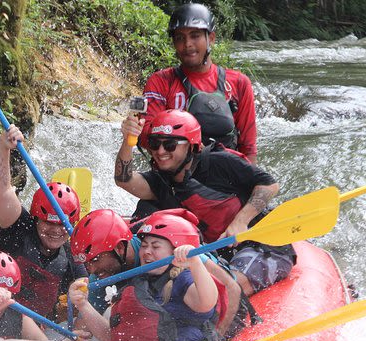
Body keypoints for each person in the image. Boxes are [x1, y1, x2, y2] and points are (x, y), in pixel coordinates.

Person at [115, 108, 296, 298]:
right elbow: (124, 179)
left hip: (260, 244)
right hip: (216, 254)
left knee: (222, 291)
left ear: (191, 146)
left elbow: (269, 185)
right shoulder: (160, 180)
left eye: (169, 145)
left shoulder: (220, 162)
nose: (160, 151)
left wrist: (240, 221)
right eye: (154, 144)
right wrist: (129, 140)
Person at [68, 211, 220, 341]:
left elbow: (207, 301)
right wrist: (83, 305)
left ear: (175, 252)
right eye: (145, 246)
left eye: (155, 247)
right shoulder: (135, 286)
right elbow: (112, 337)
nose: (147, 252)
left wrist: (194, 261)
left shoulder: (182, 279)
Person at [70, 208, 247, 341]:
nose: (91, 270)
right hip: (166, 330)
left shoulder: (170, 249)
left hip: (215, 317)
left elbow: (231, 287)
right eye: (86, 263)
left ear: (119, 248)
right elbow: (81, 332)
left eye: (95, 260)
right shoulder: (101, 278)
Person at [0, 125, 87, 319]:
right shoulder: (19, 226)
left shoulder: (72, 254)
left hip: (31, 329)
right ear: (36, 219)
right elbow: (3, 190)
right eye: (48, 223)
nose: (56, 230)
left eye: (62, 224)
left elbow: (86, 284)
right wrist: (3, 147)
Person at [139, 3, 258, 163]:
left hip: (224, 176)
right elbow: (146, 136)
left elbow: (248, 149)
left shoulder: (239, 83)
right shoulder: (160, 82)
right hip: (174, 178)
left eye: (195, 35)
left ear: (211, 38)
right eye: (180, 38)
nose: (187, 44)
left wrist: (250, 180)